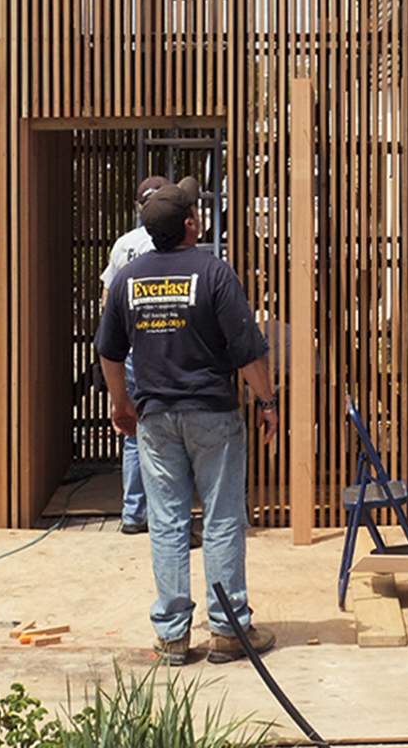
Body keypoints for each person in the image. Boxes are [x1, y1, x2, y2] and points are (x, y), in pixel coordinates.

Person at [95, 174, 280, 665]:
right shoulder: (214, 273)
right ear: (191, 224)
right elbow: (247, 350)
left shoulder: (128, 279)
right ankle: (228, 630)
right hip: (212, 415)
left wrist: (120, 402)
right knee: (222, 519)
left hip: (156, 419)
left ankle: (174, 634)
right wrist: (267, 402)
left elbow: (108, 351)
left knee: (167, 522)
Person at [100, 174, 168, 534]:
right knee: (169, 432)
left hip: (129, 350)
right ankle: (166, 513)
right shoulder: (170, 242)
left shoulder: (123, 244)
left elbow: (107, 297)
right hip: (165, 350)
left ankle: (133, 513)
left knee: (133, 430)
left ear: (138, 208)